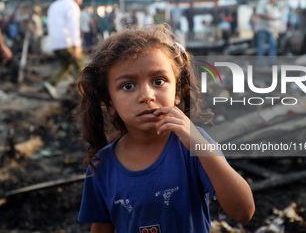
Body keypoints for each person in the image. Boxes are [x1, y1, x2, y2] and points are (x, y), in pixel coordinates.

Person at [77, 24, 255, 232]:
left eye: (158, 81)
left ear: (178, 92)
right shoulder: (102, 166)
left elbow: (244, 211)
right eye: (128, 86)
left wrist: (199, 144)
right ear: (110, 103)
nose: (147, 95)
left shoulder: (193, 146)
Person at [44, 0, 85, 99]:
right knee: (79, 65)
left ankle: (50, 84)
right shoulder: (72, 5)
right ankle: (78, 94)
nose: (81, 1)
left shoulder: (54, 5)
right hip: (67, 43)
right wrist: (76, 45)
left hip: (54, 43)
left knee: (66, 66)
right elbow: (73, 26)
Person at [256, 0, 280, 65]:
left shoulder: (273, 5)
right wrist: (270, 18)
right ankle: (261, 63)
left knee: (273, 45)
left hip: (271, 29)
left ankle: (272, 63)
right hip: (262, 28)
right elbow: (259, 13)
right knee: (261, 47)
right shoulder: (263, 2)